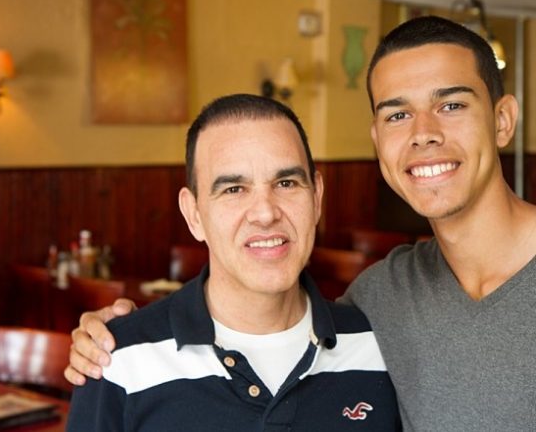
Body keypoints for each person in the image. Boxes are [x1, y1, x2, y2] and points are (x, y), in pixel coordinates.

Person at [66, 15, 536, 431]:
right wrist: (111, 339)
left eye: (451, 105)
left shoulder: (369, 323)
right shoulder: (380, 301)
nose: (424, 133)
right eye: (398, 114)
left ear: (503, 120)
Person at [66, 94, 401, 431]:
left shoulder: (381, 347)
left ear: (316, 198)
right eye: (234, 189)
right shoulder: (117, 359)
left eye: (286, 183)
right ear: (194, 214)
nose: (266, 213)